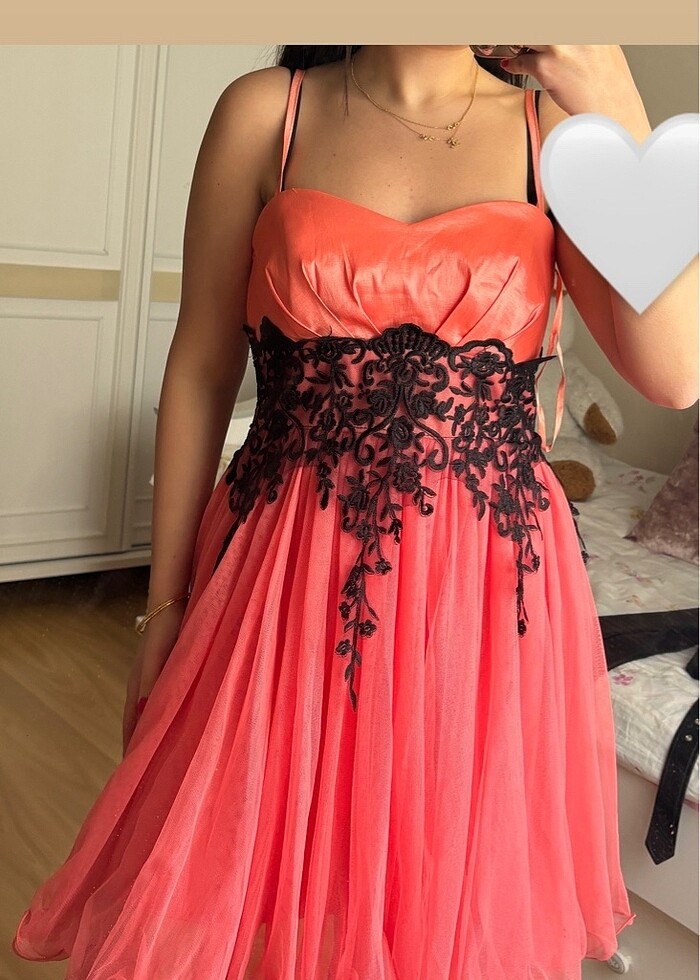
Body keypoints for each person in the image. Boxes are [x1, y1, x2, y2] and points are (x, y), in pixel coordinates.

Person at [12, 44, 698, 979]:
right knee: (238, 876)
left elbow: (675, 373)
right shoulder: (266, 112)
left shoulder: (557, 136)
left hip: (481, 601)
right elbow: (202, 365)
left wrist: (615, 101)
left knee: (433, 905)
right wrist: (164, 606)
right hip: (278, 578)